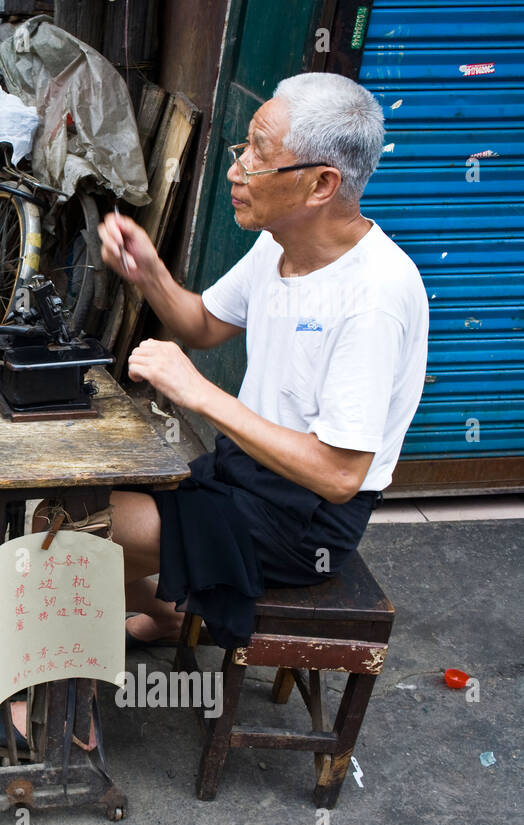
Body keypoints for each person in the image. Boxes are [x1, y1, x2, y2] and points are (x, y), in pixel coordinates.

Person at [96, 71, 429, 649]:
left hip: (303, 520)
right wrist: (149, 273)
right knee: (74, 503)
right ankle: (169, 618)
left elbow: (339, 474)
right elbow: (200, 324)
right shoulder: (279, 241)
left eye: (257, 154)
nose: (236, 168)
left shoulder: (373, 297)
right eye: (242, 147)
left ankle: (40, 699)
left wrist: (199, 394)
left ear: (321, 184)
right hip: (241, 473)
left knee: (81, 524)